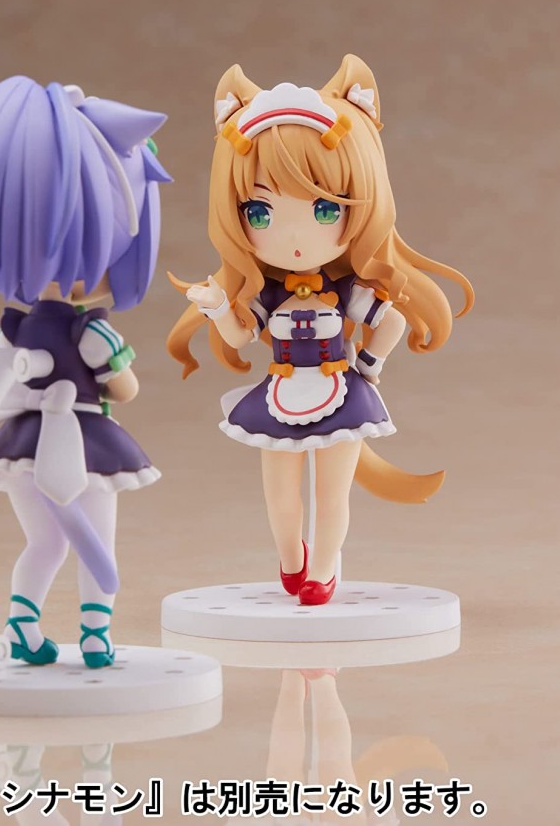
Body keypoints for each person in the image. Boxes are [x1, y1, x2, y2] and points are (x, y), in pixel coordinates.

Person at [168, 55, 473, 605]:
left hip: (340, 390)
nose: (294, 235)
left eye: (326, 209)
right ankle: (291, 558)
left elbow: (392, 320)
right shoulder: (267, 295)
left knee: (333, 495)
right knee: (280, 495)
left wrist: (369, 369)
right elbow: (239, 338)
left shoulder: (347, 291)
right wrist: (216, 308)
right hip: (280, 391)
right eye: (259, 214)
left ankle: (324, 568)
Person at [0, 76, 170, 665]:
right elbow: (125, 389)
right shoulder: (90, 332)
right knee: (94, 545)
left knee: (46, 543)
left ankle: (24, 628)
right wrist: (106, 373)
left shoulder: (14, 328)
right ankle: (95, 634)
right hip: (81, 443)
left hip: (26, 444)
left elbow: (2, 374)